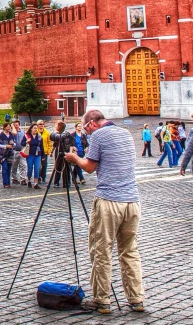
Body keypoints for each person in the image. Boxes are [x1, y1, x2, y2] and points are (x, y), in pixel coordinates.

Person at [62, 110, 145, 314]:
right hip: (132, 201)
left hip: (109, 200)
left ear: (91, 124)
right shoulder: (125, 133)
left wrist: (74, 158)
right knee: (130, 251)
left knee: (101, 250)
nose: (87, 133)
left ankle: (102, 299)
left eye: (86, 129)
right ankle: (136, 299)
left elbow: (89, 167)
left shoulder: (98, 135)